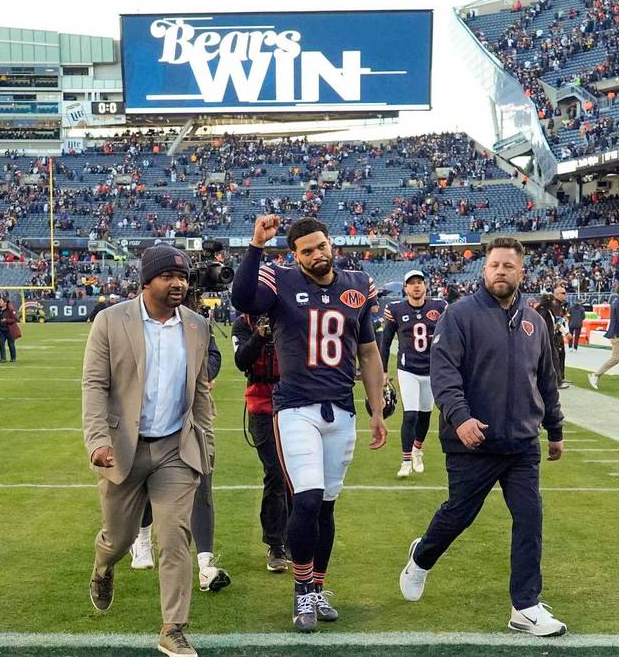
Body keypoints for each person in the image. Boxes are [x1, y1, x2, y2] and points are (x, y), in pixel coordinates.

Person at [398, 236, 567, 637]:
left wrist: (555, 428)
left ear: (521, 272)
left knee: (529, 517)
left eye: (509, 266)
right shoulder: (459, 316)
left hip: (522, 443)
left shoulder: (535, 321)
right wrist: (460, 419)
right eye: (494, 265)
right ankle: (421, 557)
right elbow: (444, 374)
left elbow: (546, 380)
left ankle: (524, 606)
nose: (501, 272)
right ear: (484, 269)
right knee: (460, 514)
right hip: (472, 440)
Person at [231, 215, 388, 633]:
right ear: (294, 256)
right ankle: (301, 591)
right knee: (307, 497)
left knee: (327, 506)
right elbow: (243, 297)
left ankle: (317, 587)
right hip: (296, 407)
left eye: (321, 246)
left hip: (342, 409)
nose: (317, 255)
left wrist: (376, 409)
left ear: (330, 243)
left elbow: (369, 353)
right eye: (306, 250)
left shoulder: (357, 285)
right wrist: (255, 245)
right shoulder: (281, 282)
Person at [83, 245, 215, 657]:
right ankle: (103, 567)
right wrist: (98, 441)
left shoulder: (196, 325)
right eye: (169, 277)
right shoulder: (110, 321)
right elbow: (94, 386)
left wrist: (205, 444)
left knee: (174, 536)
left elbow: (200, 391)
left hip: (177, 448)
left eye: (184, 278)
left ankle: (173, 627)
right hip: (124, 449)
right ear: (146, 281)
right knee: (118, 539)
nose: (179, 284)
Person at [130, 295, 229, 593]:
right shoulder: (136, 318)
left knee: (202, 483)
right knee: (148, 482)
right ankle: (143, 541)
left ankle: (205, 564)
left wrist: (197, 372)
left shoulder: (197, 321)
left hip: (193, 414)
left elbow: (214, 357)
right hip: (149, 416)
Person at [232, 312, 289, 572]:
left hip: (293, 401)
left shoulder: (288, 314)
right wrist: (259, 335)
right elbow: (241, 360)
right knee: (275, 472)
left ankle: (290, 538)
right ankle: (275, 543)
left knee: (296, 474)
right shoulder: (243, 323)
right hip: (261, 405)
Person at [380, 270, 447, 478]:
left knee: (425, 415)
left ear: (425, 286)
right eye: (412, 283)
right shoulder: (395, 309)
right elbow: (386, 341)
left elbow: (451, 336)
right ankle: (406, 460)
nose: (416, 286)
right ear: (405, 288)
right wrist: (382, 370)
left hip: (431, 369)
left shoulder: (439, 306)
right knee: (410, 415)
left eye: (419, 282)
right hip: (407, 369)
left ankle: (418, 449)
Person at [534, 286, 570, 388]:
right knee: (553, 360)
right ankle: (556, 382)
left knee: (555, 359)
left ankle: (557, 380)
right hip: (547, 339)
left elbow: (556, 322)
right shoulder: (543, 311)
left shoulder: (547, 310)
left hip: (550, 338)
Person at [0, 297, 20, 362]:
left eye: (1, 301)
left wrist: (6, 320)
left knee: (11, 344)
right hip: (2, 330)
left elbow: (15, 319)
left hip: (10, 330)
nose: (0, 302)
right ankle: (3, 358)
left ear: (5, 303)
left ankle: (13, 358)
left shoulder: (10, 310)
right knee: (1, 343)